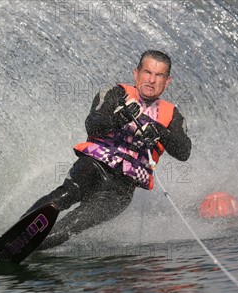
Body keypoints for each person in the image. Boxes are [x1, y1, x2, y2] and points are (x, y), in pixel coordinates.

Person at [24, 50, 191, 249]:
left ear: (167, 81)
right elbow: (93, 124)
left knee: (76, 223)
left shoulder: (172, 115)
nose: (151, 80)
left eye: (159, 75)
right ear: (136, 73)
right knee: (64, 196)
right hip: (93, 166)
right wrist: (119, 119)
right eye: (147, 72)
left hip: (121, 189)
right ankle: (19, 232)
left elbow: (183, 152)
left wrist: (160, 132)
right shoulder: (115, 93)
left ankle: (27, 249)